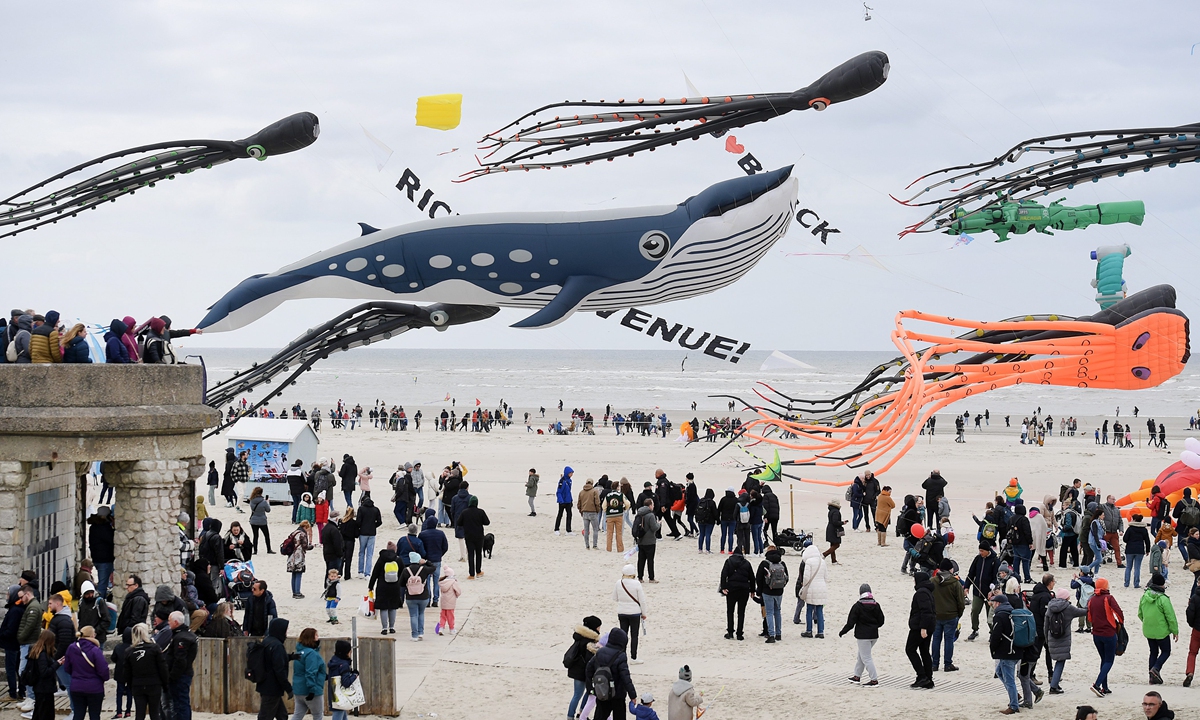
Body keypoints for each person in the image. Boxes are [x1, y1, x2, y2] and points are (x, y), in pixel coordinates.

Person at [585, 627, 636, 720]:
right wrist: (633, 695)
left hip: (602, 691)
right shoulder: (621, 656)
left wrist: (590, 688)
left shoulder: (600, 652)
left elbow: (589, 669)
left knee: (599, 717)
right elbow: (626, 677)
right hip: (618, 695)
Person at [839, 583, 884, 686]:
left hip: (863, 636)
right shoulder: (876, 605)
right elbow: (881, 621)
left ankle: (874, 679)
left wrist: (843, 631)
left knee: (866, 658)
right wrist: (873, 627)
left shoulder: (857, 606)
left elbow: (851, 623)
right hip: (874, 635)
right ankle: (857, 676)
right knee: (861, 656)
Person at [1139, 572, 1178, 685]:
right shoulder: (1163, 599)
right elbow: (1170, 617)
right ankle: (1155, 668)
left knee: (1153, 652)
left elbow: (1140, 613)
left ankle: (1152, 677)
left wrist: (1147, 623)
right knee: (1166, 651)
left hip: (1148, 630)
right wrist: (1175, 631)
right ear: (1161, 585)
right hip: (1161, 631)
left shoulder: (1144, 596)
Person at [63, 625, 109, 720]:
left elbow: (67, 667)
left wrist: (76, 675)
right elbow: (103, 670)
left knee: (78, 714)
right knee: (94, 715)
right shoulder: (95, 650)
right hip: (94, 687)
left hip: (76, 686)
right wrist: (103, 679)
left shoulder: (71, 648)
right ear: (92, 635)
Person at [124, 623, 168, 720]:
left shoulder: (129, 651)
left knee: (139, 713)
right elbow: (162, 667)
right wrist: (165, 684)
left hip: (137, 684)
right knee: (155, 713)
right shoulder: (154, 648)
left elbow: (127, 672)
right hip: (153, 683)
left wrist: (130, 686)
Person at [1088, 577, 1123, 697]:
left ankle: (1105, 687)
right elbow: (1118, 612)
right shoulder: (1108, 598)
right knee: (1109, 660)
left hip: (1096, 634)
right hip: (1108, 633)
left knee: (1104, 660)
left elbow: (1090, 617)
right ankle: (1097, 685)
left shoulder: (1092, 599)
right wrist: (1121, 623)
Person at [565, 615, 602, 720]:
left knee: (580, 694)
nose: (599, 629)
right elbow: (590, 660)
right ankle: (576, 715)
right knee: (583, 694)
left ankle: (575, 715)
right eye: (599, 627)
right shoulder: (589, 642)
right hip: (583, 672)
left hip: (576, 670)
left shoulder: (580, 637)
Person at [989, 593, 1022, 714]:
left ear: (998, 603)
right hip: (1017, 649)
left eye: (994, 602)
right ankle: (1015, 695)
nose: (992, 605)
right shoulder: (1012, 612)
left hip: (1006, 651)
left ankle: (1014, 706)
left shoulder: (1000, 615)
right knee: (999, 671)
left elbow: (996, 635)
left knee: (1009, 679)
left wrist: (993, 649)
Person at [930, 558, 964, 672]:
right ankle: (947, 664)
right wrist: (958, 614)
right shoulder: (955, 583)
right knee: (949, 640)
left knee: (936, 639)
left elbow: (928, 598)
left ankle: (934, 664)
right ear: (951, 569)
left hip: (936, 615)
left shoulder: (933, 581)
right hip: (951, 615)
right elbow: (961, 601)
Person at [254, 618, 291, 720]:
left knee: (282, 716)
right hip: (272, 688)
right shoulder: (277, 645)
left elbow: (271, 659)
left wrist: (290, 657)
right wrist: (288, 688)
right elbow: (279, 669)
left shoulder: (267, 641)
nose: (286, 633)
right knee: (265, 716)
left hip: (265, 684)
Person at [906, 571, 936, 689]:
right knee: (924, 651)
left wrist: (923, 628)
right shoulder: (927, 591)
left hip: (920, 627)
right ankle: (928, 678)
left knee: (910, 649)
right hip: (927, 626)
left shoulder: (921, 592)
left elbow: (926, 611)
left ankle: (922, 676)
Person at [164, 611, 197, 720]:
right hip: (183, 674)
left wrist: (172, 676)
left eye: (170, 621)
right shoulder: (185, 634)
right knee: (181, 702)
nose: (168, 623)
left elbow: (180, 660)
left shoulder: (181, 638)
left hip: (180, 676)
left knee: (180, 703)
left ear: (176, 622)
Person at [614, 565, 648, 664]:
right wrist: (644, 613)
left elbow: (615, 598)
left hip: (622, 611)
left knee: (623, 634)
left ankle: (622, 656)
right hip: (634, 612)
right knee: (634, 635)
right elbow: (642, 600)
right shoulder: (636, 584)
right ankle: (633, 657)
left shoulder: (618, 583)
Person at [290, 628, 327, 720]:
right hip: (311, 690)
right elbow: (310, 672)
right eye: (316, 635)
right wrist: (312, 689)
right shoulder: (311, 654)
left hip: (299, 689)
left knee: (297, 715)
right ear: (311, 638)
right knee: (318, 715)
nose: (318, 638)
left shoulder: (299, 652)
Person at [368, 542, 403, 634]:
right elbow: (402, 574)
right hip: (395, 586)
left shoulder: (381, 559)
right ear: (395, 550)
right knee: (393, 607)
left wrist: (370, 586)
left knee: (383, 608)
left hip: (382, 586)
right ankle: (392, 627)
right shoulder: (398, 560)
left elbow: (374, 574)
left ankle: (384, 628)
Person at [755, 545, 788, 643]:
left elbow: (759, 578)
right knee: (778, 612)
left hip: (767, 591)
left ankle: (771, 635)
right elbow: (787, 578)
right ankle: (778, 634)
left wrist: (759, 591)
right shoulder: (782, 563)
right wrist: (781, 587)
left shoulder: (765, 563)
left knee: (769, 613)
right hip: (779, 591)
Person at [719, 548, 754, 641]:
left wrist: (723, 587)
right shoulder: (746, 563)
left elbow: (723, 574)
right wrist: (752, 590)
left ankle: (730, 632)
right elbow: (752, 577)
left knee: (730, 611)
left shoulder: (728, 561)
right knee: (741, 612)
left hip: (731, 589)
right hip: (744, 589)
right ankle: (739, 634)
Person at [24, 630, 58, 720]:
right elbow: (44, 672)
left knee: (39, 712)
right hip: (44, 688)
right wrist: (57, 664)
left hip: (40, 687)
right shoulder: (42, 654)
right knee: (45, 713)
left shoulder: (36, 651)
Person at [797, 544, 828, 638]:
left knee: (809, 610)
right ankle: (820, 632)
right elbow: (826, 576)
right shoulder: (822, 561)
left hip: (811, 587)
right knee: (819, 610)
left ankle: (809, 630)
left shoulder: (809, 562)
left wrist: (804, 585)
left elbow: (806, 577)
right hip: (822, 587)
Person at [402, 552, 434, 640]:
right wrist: (426, 562)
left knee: (413, 615)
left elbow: (401, 583)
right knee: (421, 613)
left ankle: (414, 635)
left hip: (410, 596)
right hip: (423, 596)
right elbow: (433, 568)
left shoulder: (406, 570)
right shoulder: (424, 569)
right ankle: (421, 633)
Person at [457, 496, 491, 579]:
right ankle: (478, 571)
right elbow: (487, 522)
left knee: (471, 554)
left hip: (469, 536)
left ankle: (471, 574)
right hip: (479, 536)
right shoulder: (481, 512)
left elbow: (459, 523)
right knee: (478, 553)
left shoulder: (465, 512)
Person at [633, 499, 660, 583]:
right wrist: (659, 524)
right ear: (649, 506)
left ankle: (640, 577)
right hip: (650, 541)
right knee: (650, 560)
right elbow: (654, 528)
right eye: (652, 504)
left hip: (641, 540)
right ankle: (651, 578)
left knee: (641, 560)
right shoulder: (650, 515)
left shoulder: (639, 514)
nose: (654, 506)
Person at [326, 640, 353, 720]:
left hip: (334, 693)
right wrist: (355, 675)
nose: (350, 652)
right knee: (338, 713)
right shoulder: (344, 665)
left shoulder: (334, 660)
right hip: (340, 694)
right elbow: (346, 683)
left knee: (342, 714)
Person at [356, 496, 382, 578]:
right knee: (369, 554)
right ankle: (367, 573)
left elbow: (358, 521)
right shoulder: (376, 509)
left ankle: (360, 571)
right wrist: (374, 526)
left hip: (363, 532)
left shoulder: (361, 509)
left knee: (361, 552)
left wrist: (361, 527)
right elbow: (379, 522)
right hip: (372, 533)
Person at [577, 479, 602, 550]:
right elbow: (597, 502)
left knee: (586, 530)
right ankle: (594, 545)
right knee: (595, 529)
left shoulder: (581, 492)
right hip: (593, 512)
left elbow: (579, 504)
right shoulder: (594, 491)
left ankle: (587, 545)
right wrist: (597, 510)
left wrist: (581, 511)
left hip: (584, 512)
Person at [248, 487, 273, 555]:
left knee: (255, 536)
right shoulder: (263, 501)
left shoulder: (251, 500)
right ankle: (269, 549)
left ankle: (255, 550)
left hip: (253, 520)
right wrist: (268, 502)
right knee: (266, 535)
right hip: (262, 520)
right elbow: (268, 510)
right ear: (261, 493)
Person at [436, 568, 461, 636]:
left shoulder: (443, 582)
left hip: (444, 601)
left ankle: (441, 628)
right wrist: (456, 595)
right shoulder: (453, 582)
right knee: (451, 616)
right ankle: (451, 629)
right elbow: (458, 591)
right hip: (451, 601)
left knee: (443, 615)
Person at [1186, 574, 1200, 687]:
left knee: (1192, 653)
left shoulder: (1195, 597)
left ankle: (1190, 672)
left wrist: (1192, 624)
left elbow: (1190, 613)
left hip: (1197, 629)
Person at [606, 484, 629, 553]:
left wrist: (607, 511)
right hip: (619, 515)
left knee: (609, 533)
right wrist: (624, 509)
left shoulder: (608, 495)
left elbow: (604, 505)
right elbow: (628, 503)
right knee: (619, 533)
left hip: (610, 515)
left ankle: (609, 548)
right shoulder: (621, 495)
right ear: (617, 487)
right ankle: (620, 549)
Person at [822, 500, 845, 564]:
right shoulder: (836, 512)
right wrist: (842, 523)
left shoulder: (831, 511)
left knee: (832, 544)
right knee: (836, 544)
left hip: (830, 528)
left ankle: (834, 560)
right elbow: (835, 522)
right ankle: (824, 554)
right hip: (834, 530)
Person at [694, 488, 716, 555]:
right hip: (709, 521)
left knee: (701, 534)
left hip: (700, 520)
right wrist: (717, 520)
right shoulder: (712, 502)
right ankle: (707, 549)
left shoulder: (701, 501)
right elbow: (715, 512)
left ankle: (700, 549)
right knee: (708, 535)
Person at [554, 466, 574, 535]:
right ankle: (556, 529)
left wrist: (571, 500)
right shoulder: (562, 481)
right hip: (562, 501)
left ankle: (568, 530)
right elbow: (559, 492)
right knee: (560, 514)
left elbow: (569, 492)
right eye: (570, 473)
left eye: (572, 473)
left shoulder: (570, 481)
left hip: (568, 501)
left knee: (569, 515)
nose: (571, 474)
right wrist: (561, 500)